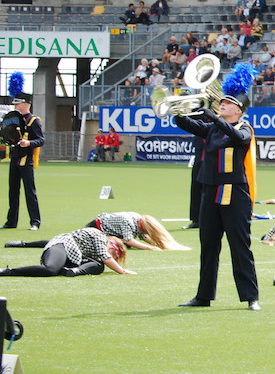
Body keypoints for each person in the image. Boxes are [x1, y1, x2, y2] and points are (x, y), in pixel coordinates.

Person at [174, 64, 262, 310]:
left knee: (240, 246)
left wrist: (212, 116)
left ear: (239, 109)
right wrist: (178, 110)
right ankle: (203, 296)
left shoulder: (244, 128)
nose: (222, 104)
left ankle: (251, 297)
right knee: (208, 246)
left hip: (235, 195)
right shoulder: (213, 128)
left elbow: (239, 139)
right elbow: (186, 125)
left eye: (227, 103)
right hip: (210, 191)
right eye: (221, 102)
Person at [6, 212, 188, 251]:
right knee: (66, 242)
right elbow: (130, 240)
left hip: (105, 231)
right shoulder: (128, 221)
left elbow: (144, 237)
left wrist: (157, 243)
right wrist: (151, 248)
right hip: (96, 228)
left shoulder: (138, 222)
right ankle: (23, 244)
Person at [0, 227, 134, 277]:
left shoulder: (95, 252)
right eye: (115, 254)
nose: (113, 257)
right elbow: (105, 257)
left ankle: (74, 271)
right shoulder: (99, 236)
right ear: (112, 244)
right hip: (63, 246)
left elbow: (103, 260)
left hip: (73, 257)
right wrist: (122, 271)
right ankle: (9, 271)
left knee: (99, 266)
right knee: (50, 269)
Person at [3, 73, 43, 231]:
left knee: (29, 192)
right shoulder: (14, 120)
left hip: (26, 160)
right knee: (12, 191)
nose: (15, 106)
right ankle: (11, 221)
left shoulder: (34, 120)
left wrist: (29, 143)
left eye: (18, 104)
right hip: (14, 158)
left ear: (26, 104)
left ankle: (35, 221)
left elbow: (41, 140)